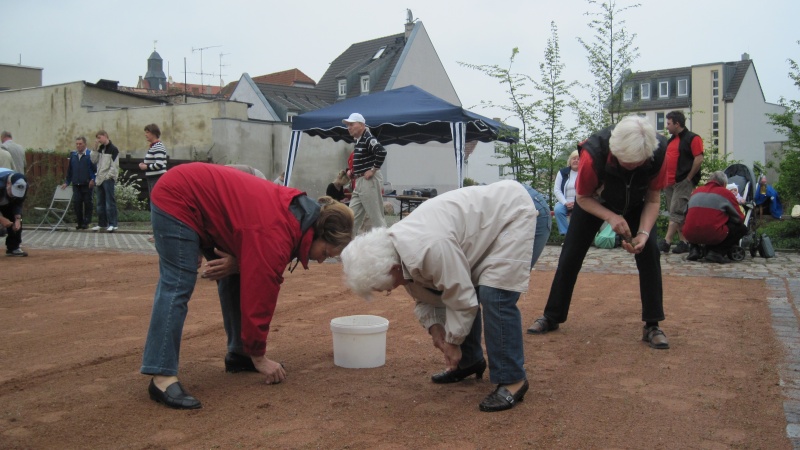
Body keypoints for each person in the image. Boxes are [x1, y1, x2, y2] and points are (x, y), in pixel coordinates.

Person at [141, 163, 354, 410]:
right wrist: (259, 356)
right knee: (177, 283)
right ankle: (161, 377)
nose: (320, 259)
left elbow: (250, 239)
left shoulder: (296, 219)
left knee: (236, 273)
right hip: (178, 197)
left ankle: (238, 353)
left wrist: (240, 261)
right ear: (320, 233)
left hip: (200, 202)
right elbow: (260, 294)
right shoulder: (278, 233)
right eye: (326, 252)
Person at [341, 180, 537, 412]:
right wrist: (435, 328)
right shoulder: (395, 252)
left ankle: (513, 379)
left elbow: (461, 297)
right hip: (487, 225)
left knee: (495, 293)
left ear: (391, 269)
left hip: (516, 211)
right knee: (470, 283)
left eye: (382, 286)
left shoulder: (428, 248)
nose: (387, 291)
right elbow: (427, 295)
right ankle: (470, 361)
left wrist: (453, 343)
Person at [527, 116, 671, 350]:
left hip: (637, 203)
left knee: (650, 252)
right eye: (627, 162)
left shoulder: (659, 152)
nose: (632, 167)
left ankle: (652, 325)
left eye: (638, 162)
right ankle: (552, 316)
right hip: (593, 202)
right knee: (570, 254)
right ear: (615, 150)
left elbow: (654, 199)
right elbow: (582, 198)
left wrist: (643, 233)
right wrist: (611, 217)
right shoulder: (593, 153)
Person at [658, 111, 704, 254]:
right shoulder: (671, 140)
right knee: (677, 213)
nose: (667, 127)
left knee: (676, 211)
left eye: (669, 123)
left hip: (682, 181)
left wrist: (689, 178)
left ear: (677, 124)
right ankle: (684, 242)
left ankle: (666, 241)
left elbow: (699, 158)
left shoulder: (693, 138)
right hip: (668, 182)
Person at [682, 171, 747, 263]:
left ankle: (694, 249)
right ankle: (716, 252)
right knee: (742, 228)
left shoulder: (696, 191)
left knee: (694, 221)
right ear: (724, 184)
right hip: (712, 234)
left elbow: (685, 213)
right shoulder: (726, 193)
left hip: (689, 233)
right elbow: (739, 218)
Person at [343, 113, 387, 236]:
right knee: (351, 218)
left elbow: (381, 151)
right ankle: (348, 248)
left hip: (369, 181)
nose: (349, 128)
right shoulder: (360, 140)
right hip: (360, 181)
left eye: (352, 124)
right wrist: (353, 172)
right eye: (348, 125)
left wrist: (373, 170)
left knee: (376, 218)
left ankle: (387, 246)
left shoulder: (368, 138)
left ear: (361, 125)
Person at [60, 136, 96, 230]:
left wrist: (93, 179)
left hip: (87, 184)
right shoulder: (73, 156)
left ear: (85, 144)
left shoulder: (90, 155)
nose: (78, 146)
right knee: (77, 204)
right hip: (76, 184)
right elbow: (70, 171)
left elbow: (95, 169)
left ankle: (86, 222)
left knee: (88, 204)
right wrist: (67, 182)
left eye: (80, 144)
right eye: (77, 144)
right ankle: (79, 223)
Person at [91, 130, 120, 232]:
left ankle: (113, 224)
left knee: (109, 202)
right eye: (97, 138)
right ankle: (102, 224)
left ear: (105, 136)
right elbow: (93, 160)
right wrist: (94, 148)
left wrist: (108, 176)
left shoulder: (113, 149)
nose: (98, 140)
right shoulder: (100, 149)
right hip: (99, 178)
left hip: (108, 179)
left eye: (99, 138)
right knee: (100, 203)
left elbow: (115, 166)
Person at [0, 169, 29, 256]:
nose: (14, 196)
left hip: (6, 202)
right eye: (12, 192)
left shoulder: (24, 185)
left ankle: (13, 247)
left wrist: (18, 219)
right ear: (8, 184)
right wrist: (2, 219)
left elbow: (18, 203)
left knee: (16, 220)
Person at [553, 150, 579, 235]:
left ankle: (576, 234)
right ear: (570, 161)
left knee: (578, 213)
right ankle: (566, 234)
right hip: (564, 201)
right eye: (573, 158)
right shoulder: (562, 172)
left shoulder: (583, 173)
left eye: (578, 159)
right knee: (558, 210)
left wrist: (576, 203)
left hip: (580, 201)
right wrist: (565, 203)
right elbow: (557, 190)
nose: (575, 160)